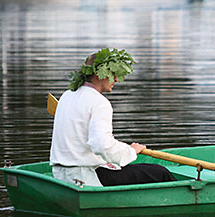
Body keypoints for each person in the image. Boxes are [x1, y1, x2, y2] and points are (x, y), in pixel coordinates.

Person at [50, 48, 176, 187]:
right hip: (87, 175)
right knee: (159, 172)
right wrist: (131, 150)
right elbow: (101, 145)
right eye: (112, 74)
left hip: (61, 174)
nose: (116, 79)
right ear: (99, 73)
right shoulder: (99, 102)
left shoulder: (67, 95)